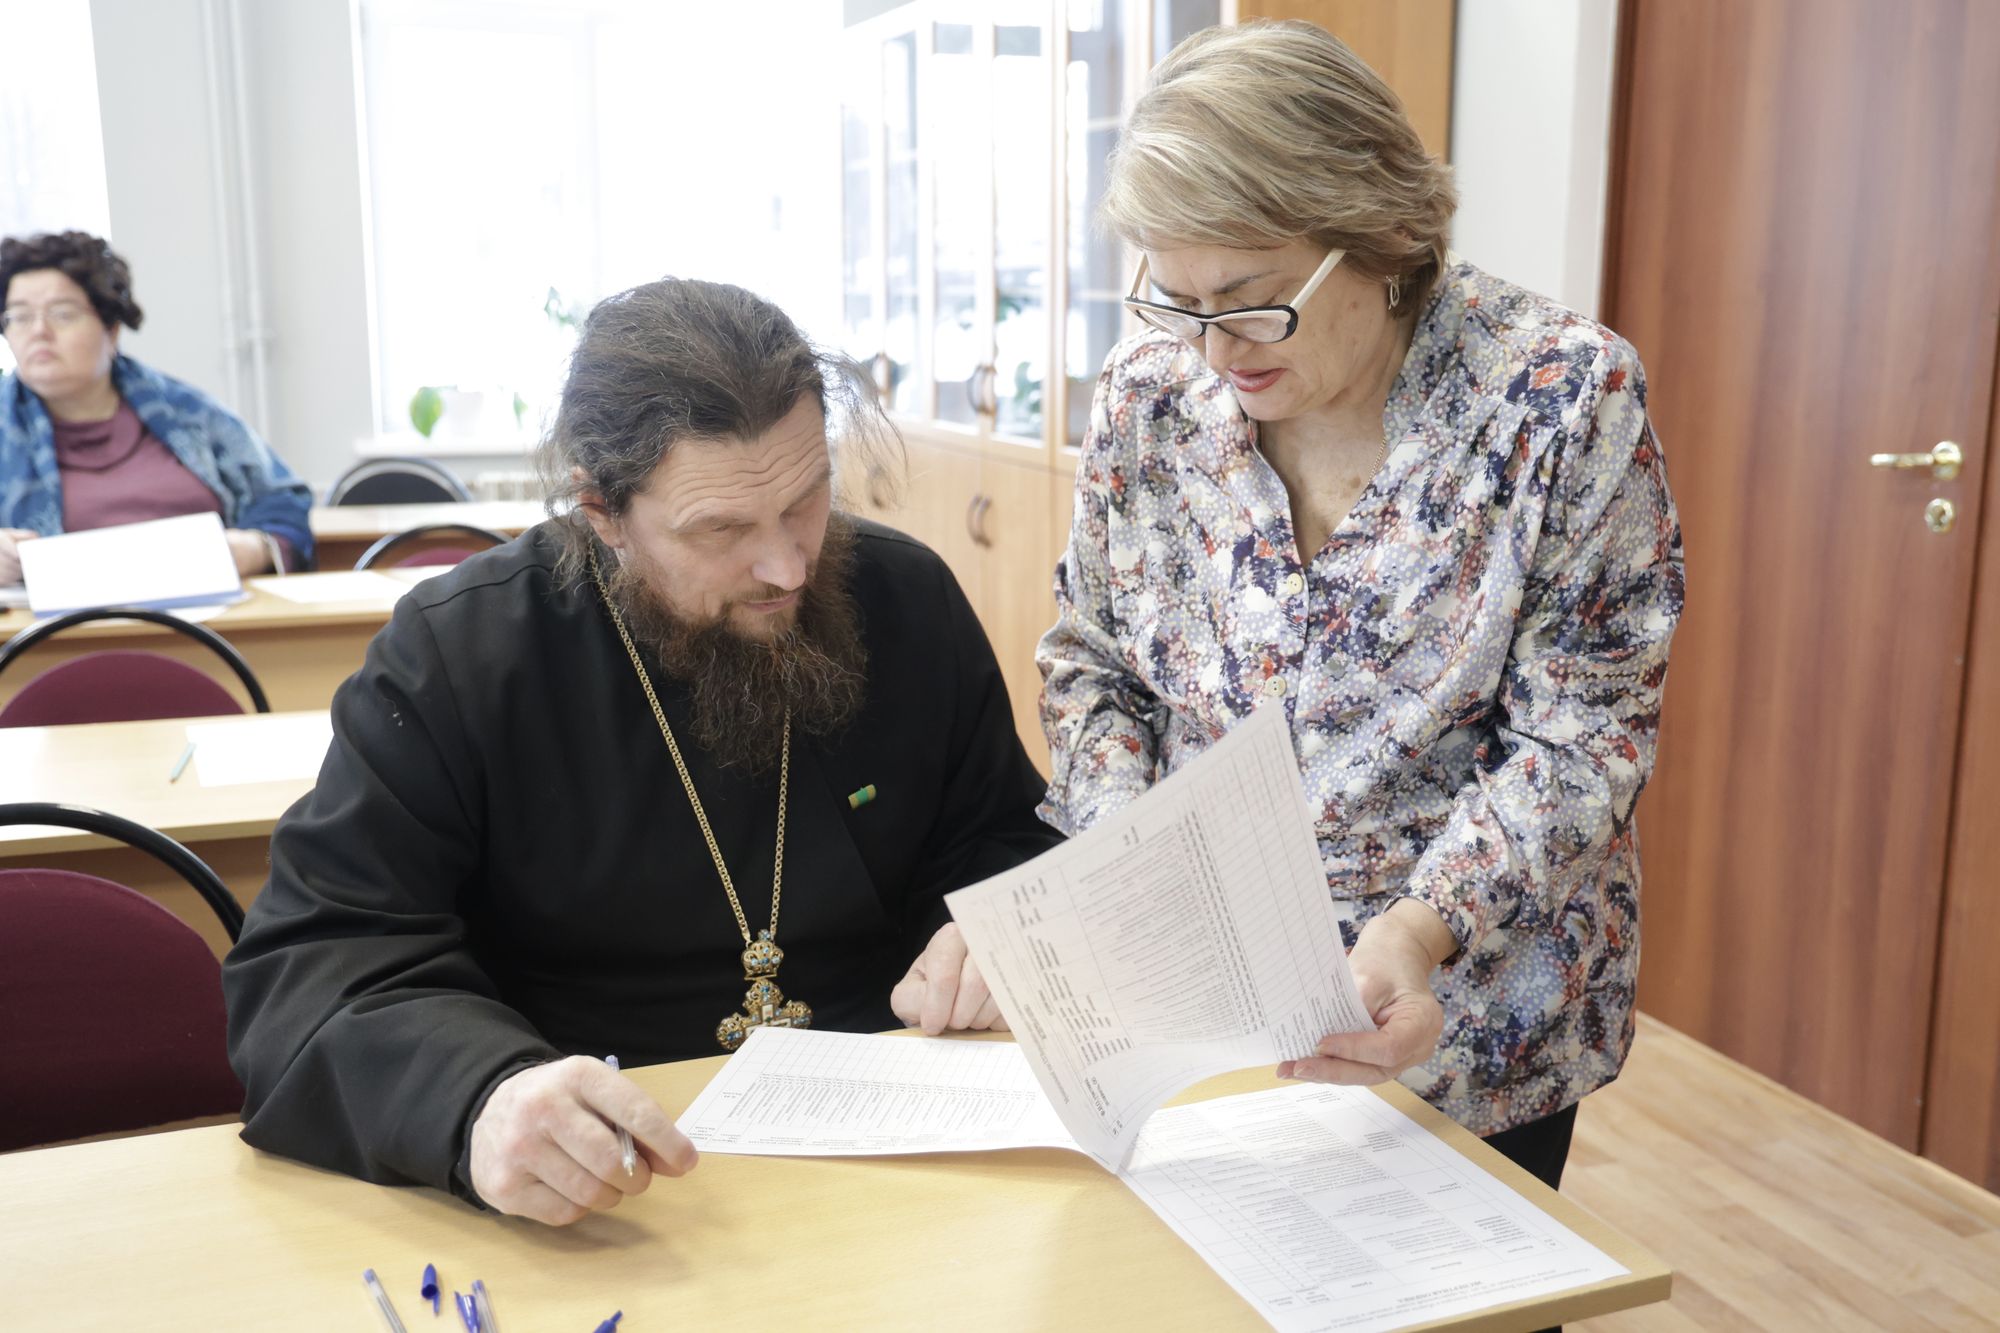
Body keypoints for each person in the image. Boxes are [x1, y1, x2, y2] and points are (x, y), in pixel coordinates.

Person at [223, 277, 1059, 1225]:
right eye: (722, 529)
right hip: (603, 1186)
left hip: (906, 1155)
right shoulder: (461, 655)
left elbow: (1001, 838)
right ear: (602, 512)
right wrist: (479, 1098)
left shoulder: (906, 600)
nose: (787, 565)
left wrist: (1003, 928)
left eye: (806, 500)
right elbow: (313, 965)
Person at [1039, 20, 1685, 1195]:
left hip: (1464, 1017)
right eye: (1177, 302)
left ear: (1376, 235)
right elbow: (1092, 658)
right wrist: (1126, 857)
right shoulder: (1150, 397)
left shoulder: (1554, 398)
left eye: (1251, 302)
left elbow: (1581, 737)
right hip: (1202, 1001)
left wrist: (1417, 927)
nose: (1214, 352)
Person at [0, 230, 312, 582]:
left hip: (206, 609)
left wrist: (255, 548)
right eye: (20, 316)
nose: (38, 331)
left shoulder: (187, 413)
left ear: (112, 329)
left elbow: (282, 501)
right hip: (56, 617)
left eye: (62, 314)